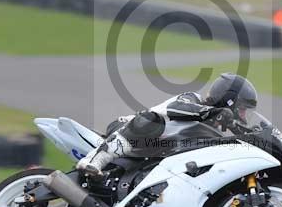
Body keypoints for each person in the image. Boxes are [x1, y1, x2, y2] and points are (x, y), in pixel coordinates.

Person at [76, 73, 258, 178]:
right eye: (242, 110)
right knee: (151, 121)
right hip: (127, 129)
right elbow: (176, 108)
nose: (242, 115)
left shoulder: (213, 129)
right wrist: (213, 112)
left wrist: (249, 133)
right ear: (229, 99)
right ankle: (93, 161)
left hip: (152, 152)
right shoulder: (192, 99)